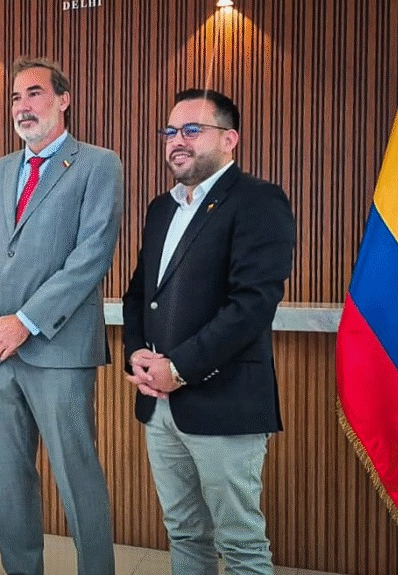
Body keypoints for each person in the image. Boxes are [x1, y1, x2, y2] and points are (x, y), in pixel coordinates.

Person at [123, 89, 296, 575]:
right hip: (159, 403)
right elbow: (139, 294)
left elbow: (252, 306)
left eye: (192, 130)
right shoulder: (161, 209)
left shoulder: (258, 200)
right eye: (171, 131)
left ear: (229, 139)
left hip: (225, 401)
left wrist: (179, 368)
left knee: (239, 543)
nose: (177, 140)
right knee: (183, 532)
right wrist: (136, 352)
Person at [0, 56, 122, 575]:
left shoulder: (98, 164)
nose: (22, 106)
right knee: (9, 483)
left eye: (34, 93)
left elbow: (91, 256)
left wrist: (24, 322)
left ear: (63, 99)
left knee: (78, 479)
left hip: (59, 350)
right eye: (15, 97)